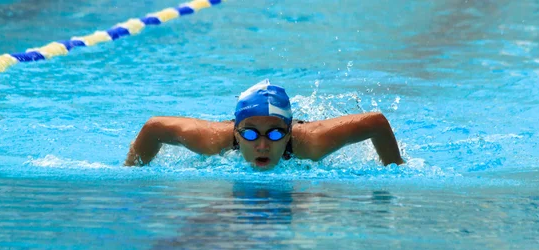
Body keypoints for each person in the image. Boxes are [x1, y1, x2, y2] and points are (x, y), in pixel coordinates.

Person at [125, 79, 404, 169]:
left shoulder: (312, 143)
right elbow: (154, 128)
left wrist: (395, 170)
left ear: (289, 132)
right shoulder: (213, 140)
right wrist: (132, 174)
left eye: (274, 133)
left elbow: (376, 122)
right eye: (248, 133)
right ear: (235, 130)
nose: (262, 145)